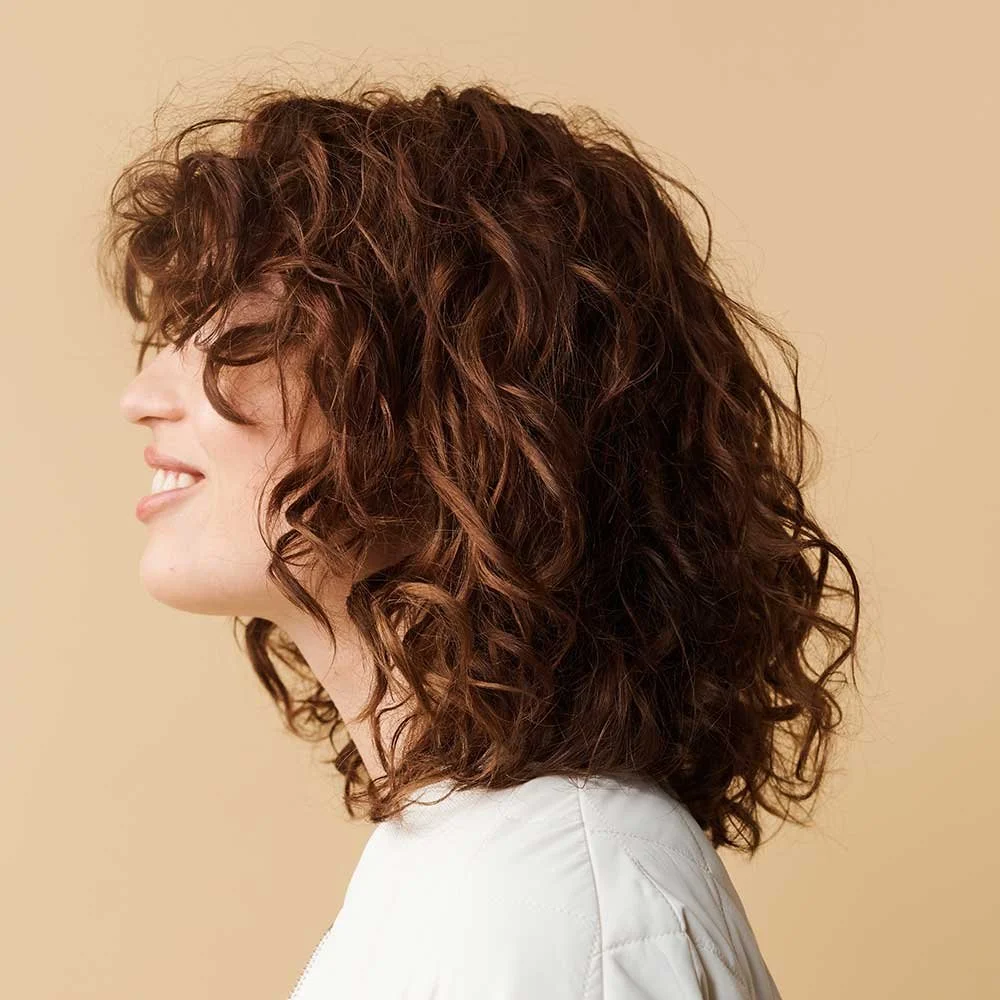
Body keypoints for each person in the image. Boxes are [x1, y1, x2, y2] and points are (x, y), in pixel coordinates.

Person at [104, 77, 861, 999]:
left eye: (235, 336)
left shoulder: (550, 909)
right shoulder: (482, 868)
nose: (141, 398)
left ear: (456, 413)